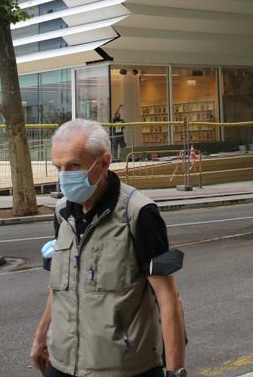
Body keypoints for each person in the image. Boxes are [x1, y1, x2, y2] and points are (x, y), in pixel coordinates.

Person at [31, 119, 188, 377]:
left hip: (123, 368)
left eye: (74, 165)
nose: (64, 176)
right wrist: (40, 337)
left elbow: (169, 298)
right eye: (58, 167)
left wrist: (175, 372)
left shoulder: (139, 213)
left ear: (104, 162)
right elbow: (59, 286)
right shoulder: (62, 213)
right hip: (61, 363)